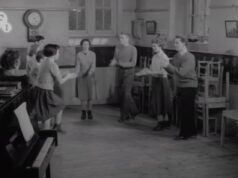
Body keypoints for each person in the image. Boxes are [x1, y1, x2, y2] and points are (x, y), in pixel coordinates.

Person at [31, 44, 76, 131]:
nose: (59, 54)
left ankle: (53, 129)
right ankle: (54, 128)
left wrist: (63, 74)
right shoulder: (53, 64)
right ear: (53, 54)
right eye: (58, 52)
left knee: (47, 114)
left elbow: (49, 75)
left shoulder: (45, 61)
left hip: (39, 90)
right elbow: (60, 81)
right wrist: (69, 76)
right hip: (45, 92)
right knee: (60, 104)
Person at [164, 36, 198, 140]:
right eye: (174, 43)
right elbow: (172, 71)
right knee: (184, 110)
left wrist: (168, 65)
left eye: (177, 43)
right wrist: (165, 66)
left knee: (186, 110)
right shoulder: (176, 56)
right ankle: (191, 132)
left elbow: (181, 72)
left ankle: (185, 134)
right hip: (180, 85)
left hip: (189, 86)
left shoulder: (190, 57)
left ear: (184, 44)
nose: (175, 45)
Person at [110, 33, 138, 122]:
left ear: (127, 39)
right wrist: (113, 62)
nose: (120, 39)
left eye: (122, 38)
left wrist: (119, 63)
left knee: (126, 94)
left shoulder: (133, 49)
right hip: (120, 72)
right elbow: (115, 58)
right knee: (122, 95)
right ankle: (130, 113)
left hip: (129, 73)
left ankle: (128, 113)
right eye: (120, 38)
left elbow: (133, 63)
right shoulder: (117, 48)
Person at [149, 39, 172, 131]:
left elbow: (164, 71)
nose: (153, 48)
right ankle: (160, 122)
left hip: (162, 80)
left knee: (163, 101)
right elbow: (152, 68)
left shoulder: (164, 57)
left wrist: (153, 72)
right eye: (152, 46)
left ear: (161, 46)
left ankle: (165, 122)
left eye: (155, 46)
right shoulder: (154, 57)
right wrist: (150, 72)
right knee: (157, 101)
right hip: (155, 80)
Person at [75, 39, 96, 120]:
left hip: (90, 77)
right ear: (81, 45)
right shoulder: (79, 54)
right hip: (81, 77)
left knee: (90, 96)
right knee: (83, 96)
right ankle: (83, 112)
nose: (85, 46)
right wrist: (76, 73)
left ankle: (89, 111)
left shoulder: (93, 54)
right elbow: (78, 65)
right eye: (84, 44)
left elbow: (93, 66)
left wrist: (89, 73)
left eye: (87, 44)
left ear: (89, 45)